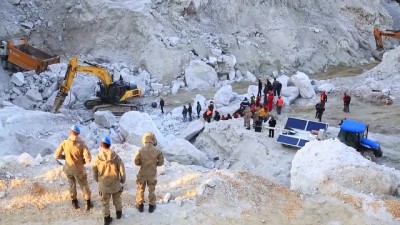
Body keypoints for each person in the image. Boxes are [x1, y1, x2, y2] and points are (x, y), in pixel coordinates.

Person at [54, 125, 92, 210]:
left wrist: (66, 158)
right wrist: (81, 162)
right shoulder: (82, 143)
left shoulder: (65, 142)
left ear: (70, 132)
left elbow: (56, 155)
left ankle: (75, 202)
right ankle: (88, 203)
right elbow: (88, 159)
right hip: (79, 169)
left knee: (72, 184)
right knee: (84, 185)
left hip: (68, 169)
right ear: (78, 133)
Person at [92, 137, 126, 225]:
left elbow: (94, 170)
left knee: (105, 202)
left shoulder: (98, 158)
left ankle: (107, 219)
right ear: (110, 145)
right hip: (115, 184)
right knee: (117, 199)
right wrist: (122, 180)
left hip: (104, 185)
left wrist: (97, 180)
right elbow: (122, 169)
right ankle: (119, 214)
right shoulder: (116, 156)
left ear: (101, 145)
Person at [134, 132, 164, 213]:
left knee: (141, 190)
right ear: (153, 139)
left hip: (142, 174)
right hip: (152, 174)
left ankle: (140, 206)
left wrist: (142, 163)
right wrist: (154, 164)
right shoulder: (158, 151)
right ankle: (151, 206)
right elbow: (161, 163)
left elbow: (136, 162)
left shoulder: (140, 150)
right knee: (151, 190)